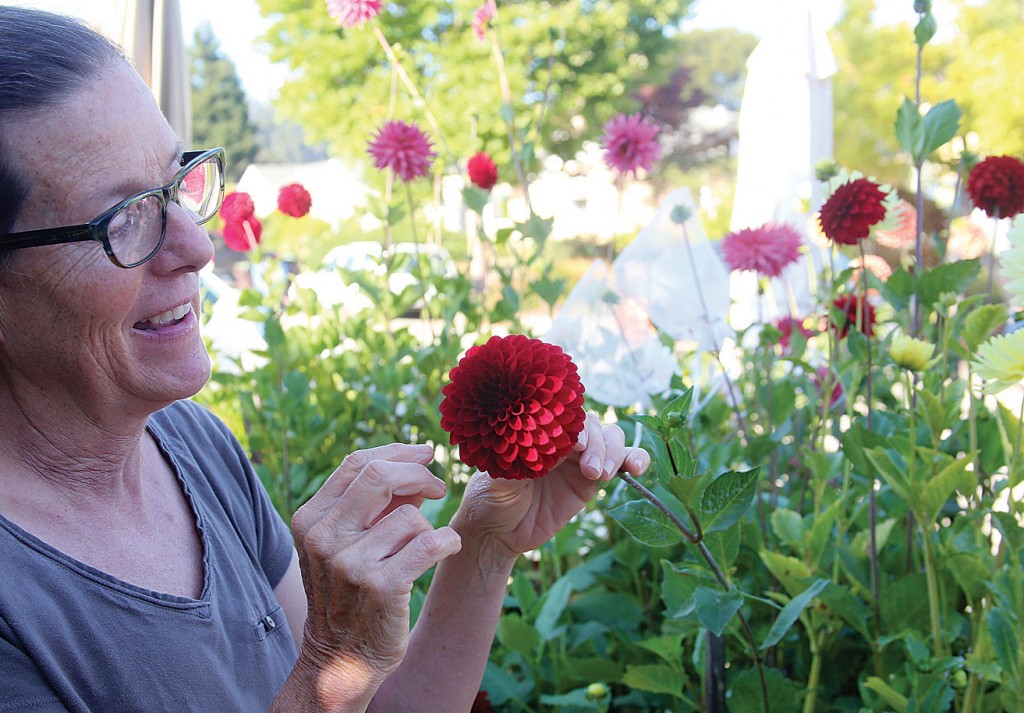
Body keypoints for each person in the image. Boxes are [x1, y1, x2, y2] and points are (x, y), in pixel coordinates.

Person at [0, 8, 651, 712]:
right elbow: (329, 690)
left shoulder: (189, 444)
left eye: (174, 183)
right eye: (125, 216)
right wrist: (328, 666)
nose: (197, 247)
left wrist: (486, 542)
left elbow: (369, 707)